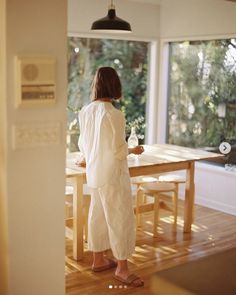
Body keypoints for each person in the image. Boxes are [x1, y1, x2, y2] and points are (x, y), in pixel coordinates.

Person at [77, 67, 144, 287]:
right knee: (120, 217)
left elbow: (83, 145)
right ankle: (122, 269)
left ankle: (98, 259)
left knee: (98, 214)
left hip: (94, 173)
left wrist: (87, 158)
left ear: (96, 85)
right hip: (113, 175)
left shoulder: (85, 111)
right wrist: (134, 150)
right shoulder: (114, 114)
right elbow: (118, 151)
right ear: (114, 85)